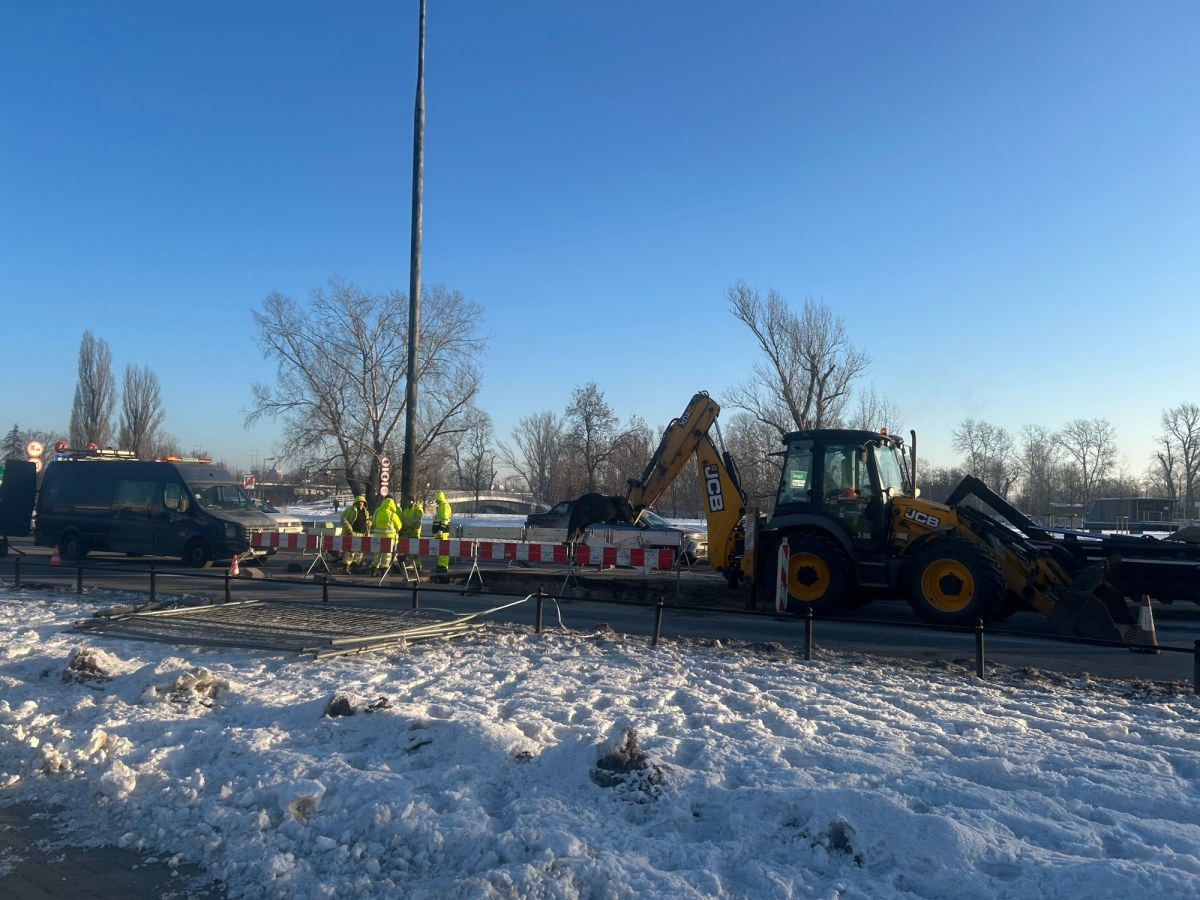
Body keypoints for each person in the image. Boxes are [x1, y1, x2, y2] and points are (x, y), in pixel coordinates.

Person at [369, 495, 402, 574]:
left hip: (377, 537)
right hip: (389, 538)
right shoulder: (392, 514)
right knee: (386, 555)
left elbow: (373, 522)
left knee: (377, 554)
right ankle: (384, 571)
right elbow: (399, 526)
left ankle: (373, 570)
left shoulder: (377, 511)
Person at [339, 495, 370, 573]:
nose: (361, 504)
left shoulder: (366, 512)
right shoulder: (349, 510)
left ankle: (355, 566)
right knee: (350, 551)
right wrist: (349, 528)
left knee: (359, 552)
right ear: (355, 503)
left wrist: (369, 522)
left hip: (362, 534)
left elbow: (368, 521)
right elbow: (343, 519)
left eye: (362, 502)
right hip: (353, 533)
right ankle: (346, 567)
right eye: (359, 502)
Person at [399, 495, 424, 571]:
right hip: (407, 532)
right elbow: (402, 520)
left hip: (414, 532)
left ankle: (418, 565)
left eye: (410, 501)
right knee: (409, 550)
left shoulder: (417, 509)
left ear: (414, 501)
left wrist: (410, 525)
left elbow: (417, 520)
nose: (408, 502)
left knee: (415, 550)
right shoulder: (406, 510)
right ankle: (411, 564)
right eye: (408, 501)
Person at [432, 490, 452, 572]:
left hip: (442, 532)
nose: (436, 501)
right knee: (440, 549)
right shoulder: (441, 506)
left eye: (436, 499)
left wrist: (441, 530)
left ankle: (443, 566)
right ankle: (440, 565)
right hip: (439, 532)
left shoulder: (444, 506)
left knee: (443, 549)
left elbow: (444, 520)